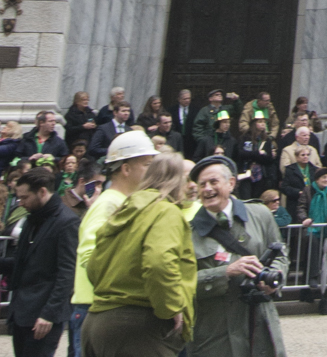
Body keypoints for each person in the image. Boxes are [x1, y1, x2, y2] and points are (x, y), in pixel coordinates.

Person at [82, 150, 196, 357]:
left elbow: (93, 267)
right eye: (187, 179)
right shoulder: (166, 211)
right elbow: (158, 263)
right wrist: (172, 307)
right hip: (139, 329)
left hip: (96, 324)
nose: (190, 186)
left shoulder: (123, 209)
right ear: (177, 180)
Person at [186, 154, 288, 357]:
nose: (207, 189)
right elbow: (182, 283)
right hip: (215, 334)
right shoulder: (188, 233)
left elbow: (281, 254)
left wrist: (274, 278)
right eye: (202, 184)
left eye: (213, 182)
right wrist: (226, 272)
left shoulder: (260, 214)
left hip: (260, 325)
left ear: (231, 183)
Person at [71, 133, 156, 357]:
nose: (151, 171)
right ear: (126, 169)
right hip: (94, 306)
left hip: (105, 305)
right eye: (146, 164)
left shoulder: (122, 202)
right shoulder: (107, 204)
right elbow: (90, 256)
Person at [9, 162, 81, 357]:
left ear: (42, 192)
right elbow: (20, 262)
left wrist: (49, 314)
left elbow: (67, 273)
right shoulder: (33, 217)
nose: (20, 202)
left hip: (43, 315)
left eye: (25, 197)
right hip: (21, 311)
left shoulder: (67, 222)